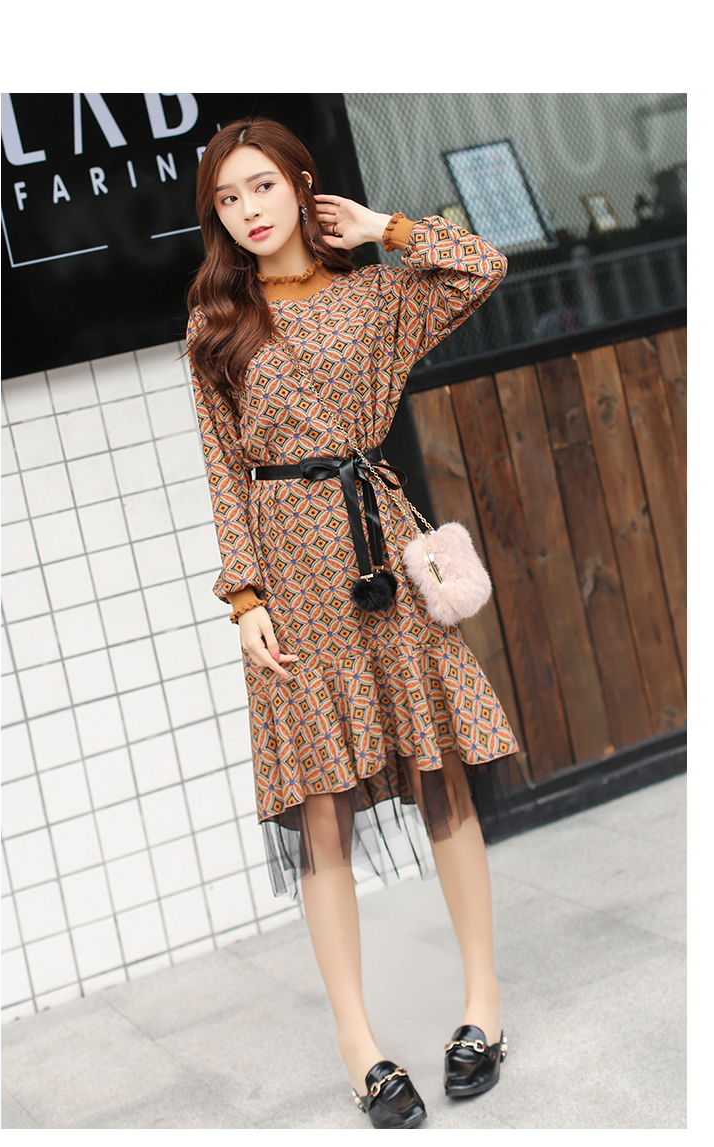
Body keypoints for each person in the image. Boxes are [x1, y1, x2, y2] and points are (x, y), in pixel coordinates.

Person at [186, 117, 518, 1129]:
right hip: (290, 574)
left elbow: (485, 265)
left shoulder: (376, 294)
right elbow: (223, 472)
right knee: (321, 806)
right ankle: (360, 1046)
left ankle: (482, 1006)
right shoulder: (215, 324)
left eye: (261, 186)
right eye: (227, 199)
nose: (247, 211)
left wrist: (387, 227)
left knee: (439, 772)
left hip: (379, 552)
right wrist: (244, 598)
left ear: (302, 184)